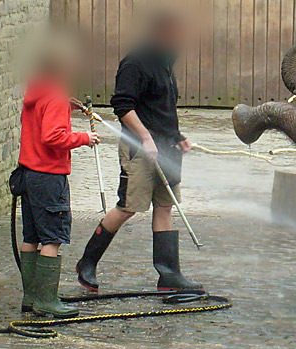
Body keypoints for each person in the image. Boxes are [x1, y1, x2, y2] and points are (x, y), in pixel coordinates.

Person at [76, 10, 203, 293]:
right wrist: (145, 138)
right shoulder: (136, 62)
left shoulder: (165, 62)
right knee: (128, 207)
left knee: (165, 206)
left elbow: (161, 109)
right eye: (176, 35)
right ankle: (87, 263)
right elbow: (123, 105)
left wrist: (178, 137)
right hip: (141, 151)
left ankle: (168, 276)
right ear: (161, 33)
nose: (180, 40)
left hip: (167, 151)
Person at [18, 33, 99, 318]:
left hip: (28, 175)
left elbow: (41, 124)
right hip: (49, 177)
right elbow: (53, 136)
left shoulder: (38, 91)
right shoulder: (54, 97)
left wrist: (65, 105)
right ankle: (46, 301)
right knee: (52, 238)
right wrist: (84, 137)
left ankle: (31, 297)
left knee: (31, 236)